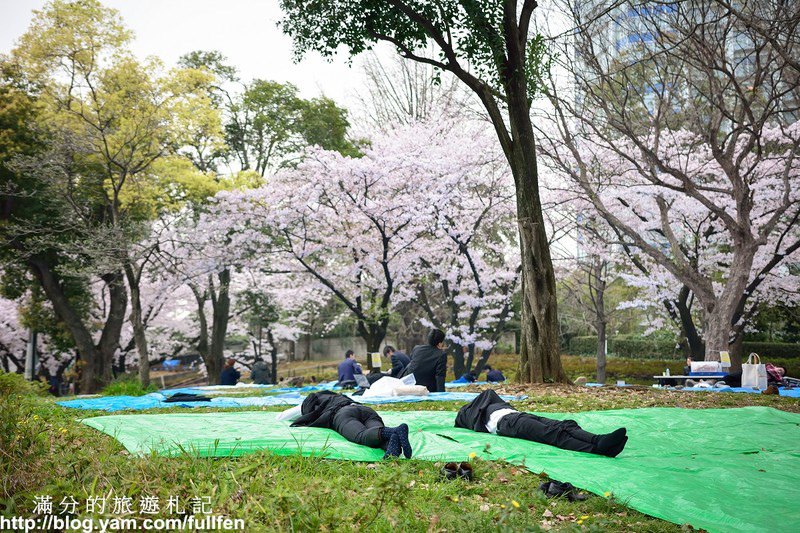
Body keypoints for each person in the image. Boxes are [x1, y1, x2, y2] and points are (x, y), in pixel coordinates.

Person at [455, 390, 628, 457]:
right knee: (553, 434)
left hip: (518, 415)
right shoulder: (471, 413)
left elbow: (489, 393)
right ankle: (597, 449)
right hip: (509, 424)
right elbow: (485, 396)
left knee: (565, 424)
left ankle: (598, 440)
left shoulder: (488, 405)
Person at [277, 391, 412, 459]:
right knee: (376, 433)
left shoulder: (313, 401)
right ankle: (391, 449)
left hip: (343, 414)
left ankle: (396, 430)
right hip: (366, 410)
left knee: (361, 436)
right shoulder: (340, 396)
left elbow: (282, 416)